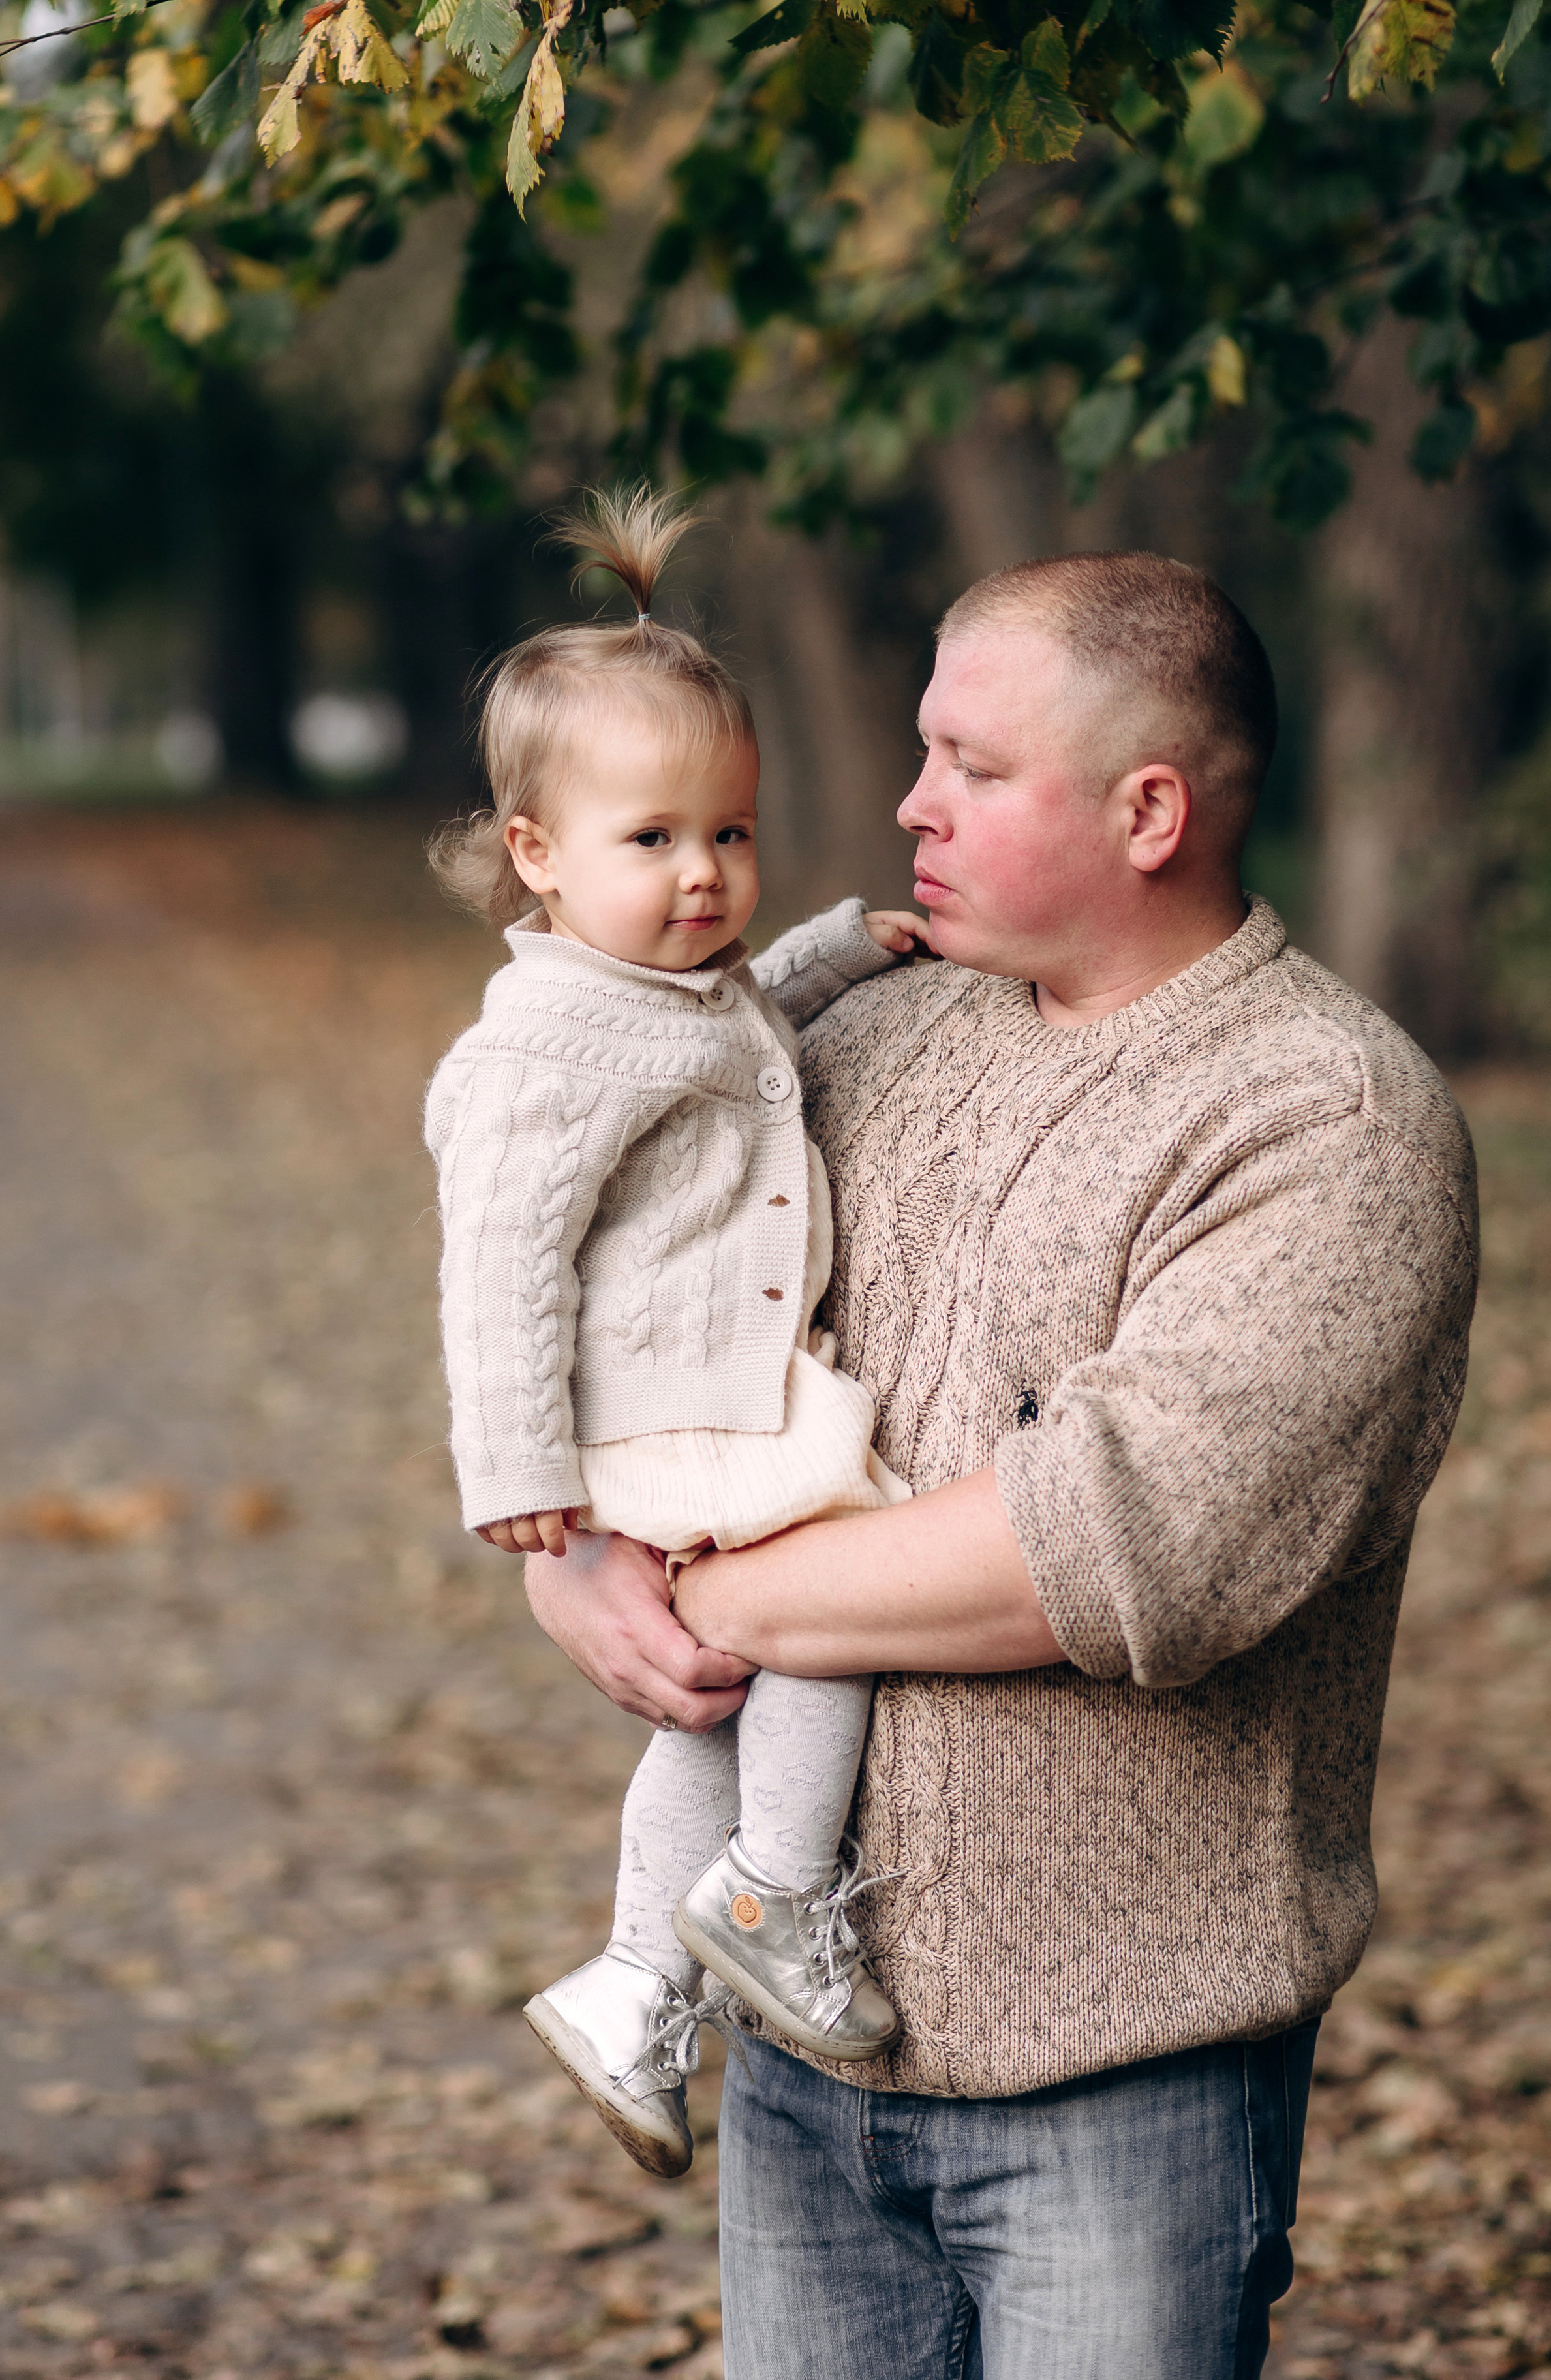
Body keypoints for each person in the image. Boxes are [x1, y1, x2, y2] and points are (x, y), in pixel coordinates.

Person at [520, 546, 1481, 2379]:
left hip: (1119, 2090)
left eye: (970, 763)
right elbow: (597, 1263)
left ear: (1148, 810)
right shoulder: (867, 1034)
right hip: (802, 2058)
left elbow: (1112, 1549)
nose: (908, 803)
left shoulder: (1323, 1123)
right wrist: (567, 1554)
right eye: (920, 750)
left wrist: (706, 1592)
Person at [423, 489, 933, 2185]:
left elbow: (740, 1025)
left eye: (731, 836)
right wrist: (517, 1472)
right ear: (537, 851)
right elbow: (502, 1255)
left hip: (690, 1400)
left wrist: (838, 948)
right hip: (666, 1412)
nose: (701, 876)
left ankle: (640, 1982)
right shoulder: (552, 1042)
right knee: (845, 1598)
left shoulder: (660, 989)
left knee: (701, 1709)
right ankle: (774, 1899)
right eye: (653, 841)